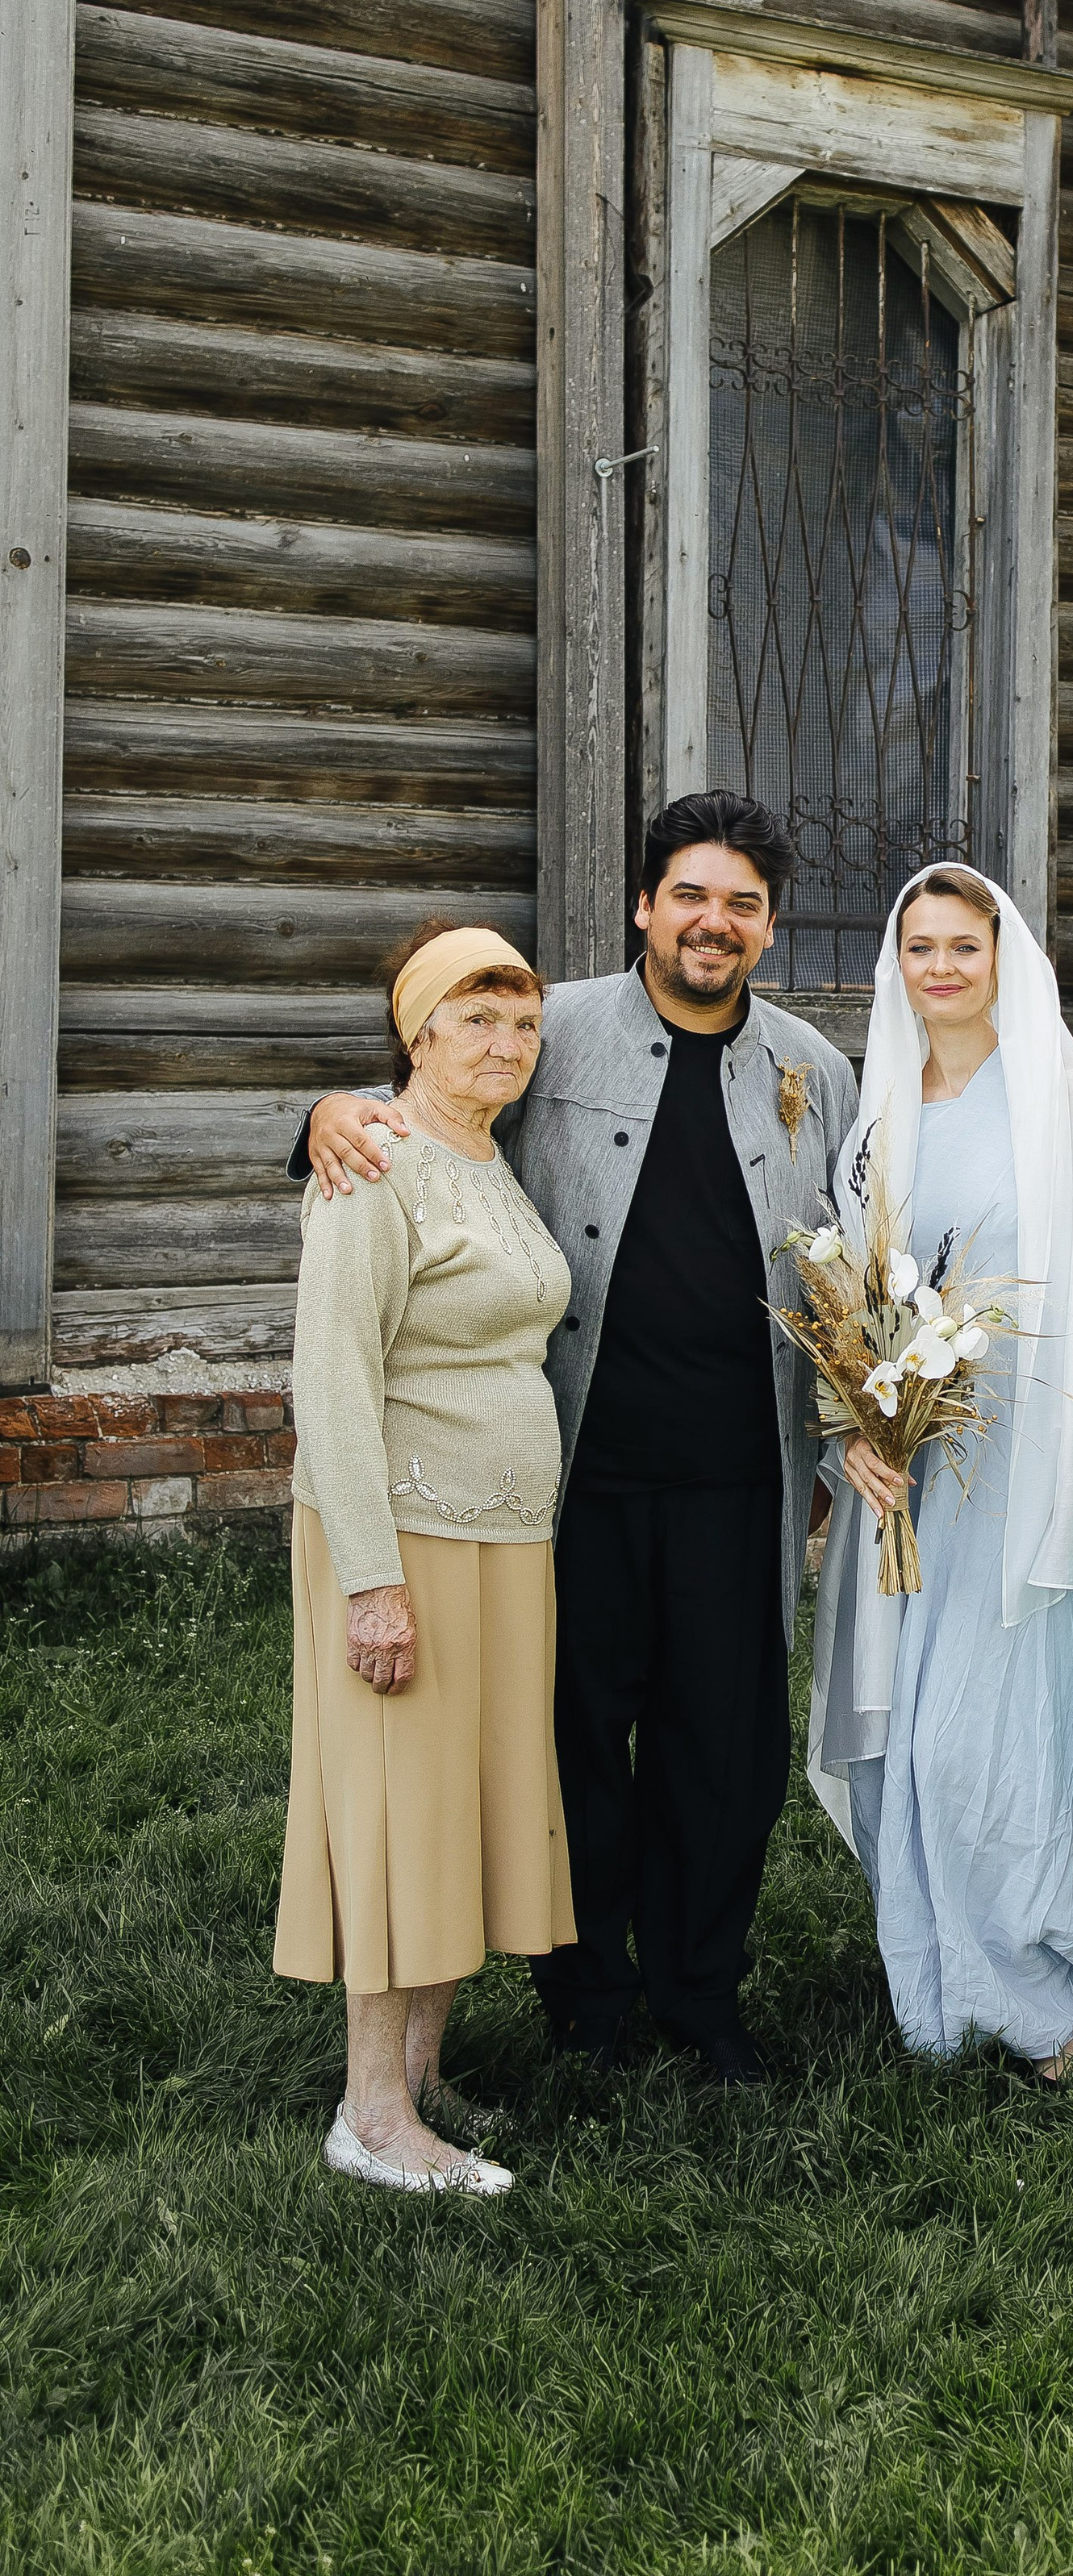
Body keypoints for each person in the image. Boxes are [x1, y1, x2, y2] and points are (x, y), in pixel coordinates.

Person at [297, 794, 858, 2084]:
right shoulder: (554, 1034)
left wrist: (843, 1440)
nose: (714, 923)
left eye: (743, 903)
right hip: (576, 1467)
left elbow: (849, 1259)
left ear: (767, 928)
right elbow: (428, 1101)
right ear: (647, 906)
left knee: (726, 1754)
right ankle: (586, 2000)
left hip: (739, 1474)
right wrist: (325, 1115)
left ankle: (702, 1998)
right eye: (692, 896)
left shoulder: (812, 1071)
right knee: (575, 1738)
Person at [810, 867, 1073, 2076]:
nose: (941, 968)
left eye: (964, 946)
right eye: (919, 947)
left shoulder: (1055, 1093)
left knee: (984, 1737)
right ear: (896, 965)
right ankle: (949, 1997)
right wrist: (860, 1421)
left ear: (1003, 957)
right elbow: (852, 1288)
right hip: (907, 1463)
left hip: (1018, 1452)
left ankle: (1056, 2000)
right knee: (901, 1740)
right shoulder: (879, 1111)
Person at [278, 920, 572, 2195]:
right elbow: (331, 1380)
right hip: (406, 1534)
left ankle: (426, 2070)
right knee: (403, 1814)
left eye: (521, 1024)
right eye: (474, 1019)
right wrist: (372, 1580)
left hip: (507, 1536)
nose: (503, 1045)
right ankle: (373, 2118)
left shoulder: (487, 1160)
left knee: (467, 1801)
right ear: (417, 1032)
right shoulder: (373, 1164)